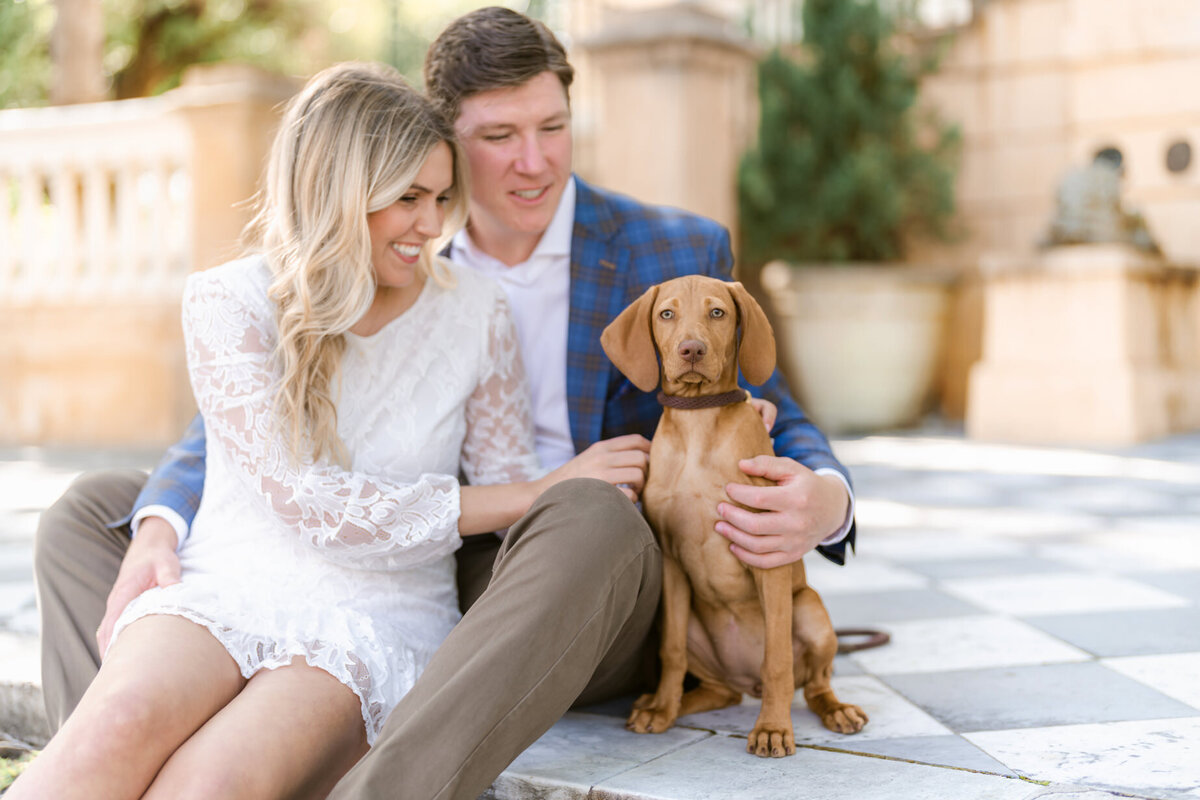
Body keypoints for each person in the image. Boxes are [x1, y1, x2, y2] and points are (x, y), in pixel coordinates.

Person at [32, 8, 857, 800]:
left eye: (553, 127)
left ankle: (381, 778)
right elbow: (238, 429)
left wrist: (825, 500)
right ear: (447, 141)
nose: (533, 161)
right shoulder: (389, 252)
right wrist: (158, 522)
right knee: (92, 509)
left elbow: (773, 406)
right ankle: (140, 753)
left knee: (586, 510)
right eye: (499, 138)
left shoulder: (671, 250)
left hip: (580, 570)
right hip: (441, 543)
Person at [12, 61, 646, 800]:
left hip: (373, 618)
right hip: (224, 587)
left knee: (211, 783)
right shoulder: (228, 302)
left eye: (442, 198)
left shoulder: (478, 310)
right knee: (114, 724)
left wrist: (564, 497)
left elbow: (506, 485)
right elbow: (304, 499)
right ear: (338, 191)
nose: (431, 226)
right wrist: (542, 489)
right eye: (407, 198)